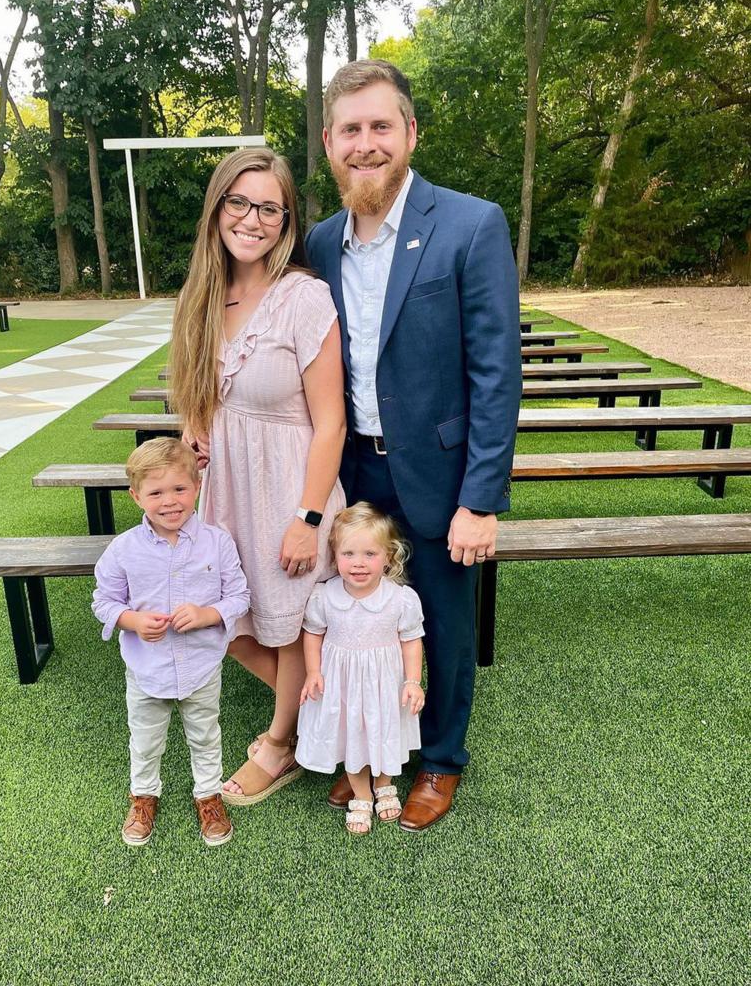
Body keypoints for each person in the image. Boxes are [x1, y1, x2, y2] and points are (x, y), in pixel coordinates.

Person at [305, 59, 522, 831]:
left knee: (441, 621)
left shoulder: (470, 222)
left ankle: (440, 761)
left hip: (440, 472)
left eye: (381, 127)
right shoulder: (320, 242)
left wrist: (480, 499)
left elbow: (497, 371)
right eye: (350, 130)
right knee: (359, 615)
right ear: (329, 142)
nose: (366, 144)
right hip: (353, 471)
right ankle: (367, 752)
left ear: (410, 133)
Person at [170, 147, 346, 806]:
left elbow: (331, 422)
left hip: (290, 487)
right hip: (227, 489)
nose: (253, 218)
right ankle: (323, 713)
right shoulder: (204, 297)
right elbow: (202, 397)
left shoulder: (303, 297)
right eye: (239, 202)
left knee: (292, 622)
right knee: (227, 623)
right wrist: (197, 427)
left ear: (287, 220)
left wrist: (307, 520)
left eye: (269, 207)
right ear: (217, 209)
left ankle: (281, 743)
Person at [91, 437, 250, 847]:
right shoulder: (123, 549)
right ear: (136, 496)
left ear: (196, 486)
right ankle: (144, 796)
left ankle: (208, 795)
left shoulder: (218, 542)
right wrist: (132, 620)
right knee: (145, 738)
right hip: (148, 669)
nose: (170, 501)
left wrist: (207, 614)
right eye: (156, 492)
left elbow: (238, 596)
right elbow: (104, 602)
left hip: (201, 666)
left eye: (180, 488)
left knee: (205, 734)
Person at [296, 503, 425, 835]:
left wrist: (412, 680)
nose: (358, 563)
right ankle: (362, 792)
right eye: (348, 553)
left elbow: (411, 640)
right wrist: (313, 672)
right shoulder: (325, 597)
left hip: (385, 684)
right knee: (351, 733)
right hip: (343, 685)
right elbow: (313, 634)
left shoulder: (399, 600)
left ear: (388, 557)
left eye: (370, 553)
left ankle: (384, 783)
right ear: (335, 555)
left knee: (384, 729)